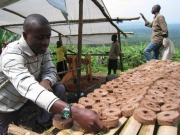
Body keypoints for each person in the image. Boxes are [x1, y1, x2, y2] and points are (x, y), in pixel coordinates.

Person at [0, 14, 107, 135]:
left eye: (48, 37)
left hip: (27, 97)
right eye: (40, 37)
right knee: (7, 130)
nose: (45, 42)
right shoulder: (12, 56)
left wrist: (47, 81)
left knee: (59, 88)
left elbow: (50, 69)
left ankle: (44, 124)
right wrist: (75, 112)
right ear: (25, 35)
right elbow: (29, 87)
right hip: (7, 104)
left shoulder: (41, 49)